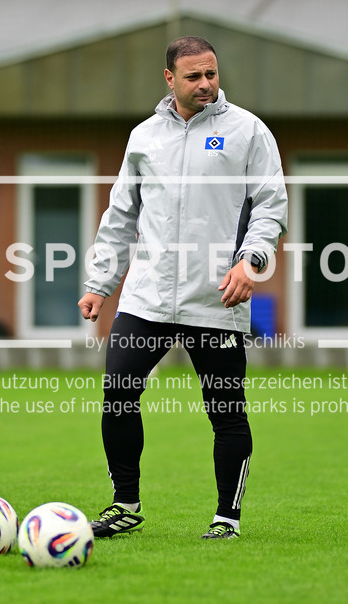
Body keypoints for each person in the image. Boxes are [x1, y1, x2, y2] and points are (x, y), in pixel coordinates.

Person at [78, 35, 287, 540]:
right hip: (147, 296)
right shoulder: (144, 136)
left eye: (211, 74)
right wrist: (101, 282)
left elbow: (271, 206)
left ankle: (226, 517)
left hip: (216, 298)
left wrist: (250, 262)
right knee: (119, 391)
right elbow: (121, 214)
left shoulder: (247, 132)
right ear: (169, 78)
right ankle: (125, 503)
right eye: (193, 76)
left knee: (226, 412)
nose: (206, 85)